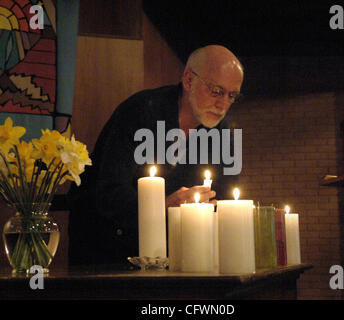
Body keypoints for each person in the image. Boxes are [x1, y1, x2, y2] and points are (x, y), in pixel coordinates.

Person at [68, 45, 244, 266]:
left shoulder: (221, 132)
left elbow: (226, 200)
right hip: (105, 252)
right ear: (189, 81)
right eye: (216, 91)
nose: (223, 104)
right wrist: (161, 206)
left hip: (178, 256)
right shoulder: (141, 111)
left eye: (232, 95)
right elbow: (108, 192)